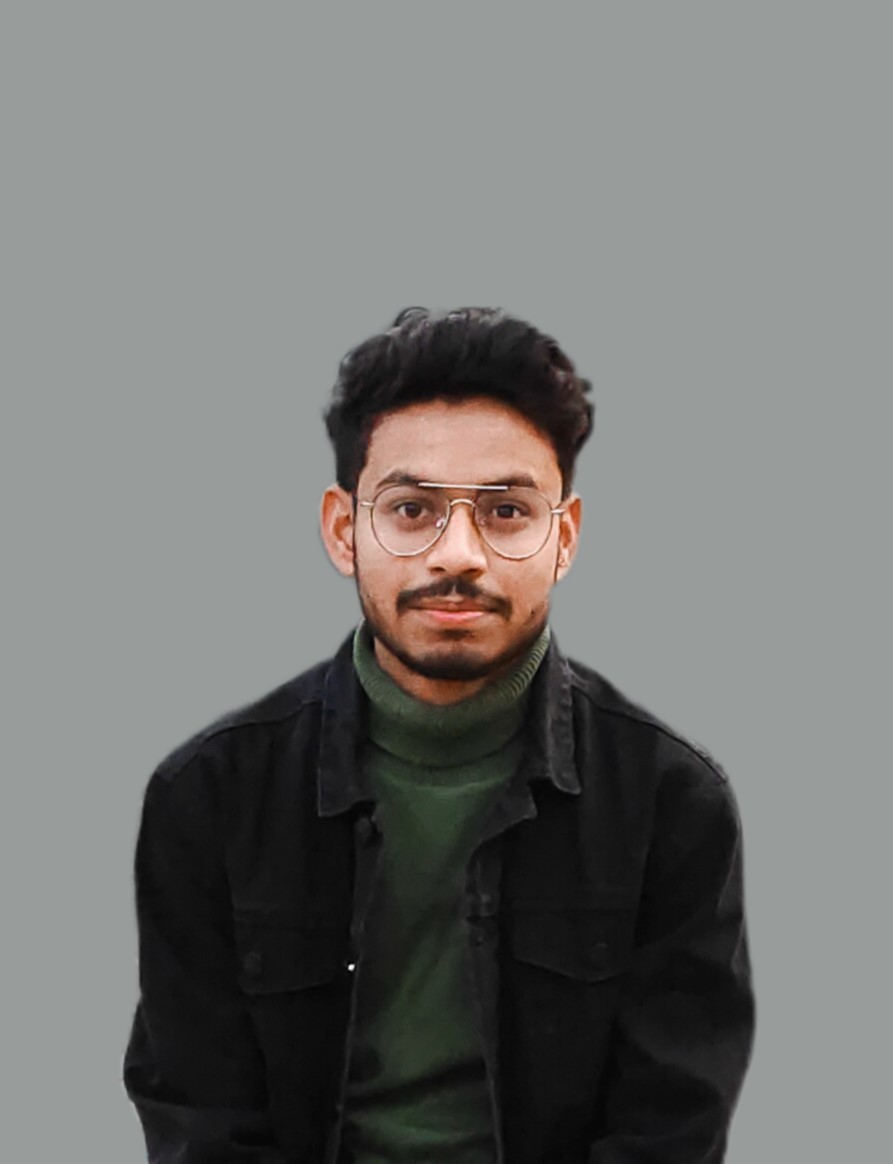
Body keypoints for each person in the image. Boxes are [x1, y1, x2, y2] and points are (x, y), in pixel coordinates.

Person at [123, 306, 755, 1164]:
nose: (457, 553)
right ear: (344, 530)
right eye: (412, 509)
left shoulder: (670, 802)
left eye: (506, 511)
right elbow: (198, 1115)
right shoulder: (209, 794)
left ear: (563, 537)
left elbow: (670, 1128)